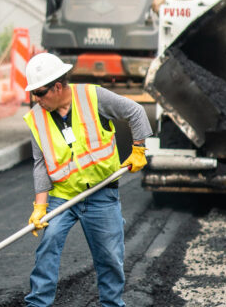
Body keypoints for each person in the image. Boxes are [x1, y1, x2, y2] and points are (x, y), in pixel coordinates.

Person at [23, 52, 152, 307]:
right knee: (47, 247)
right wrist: (40, 206)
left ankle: (111, 304)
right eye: (33, 94)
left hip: (101, 194)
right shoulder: (37, 118)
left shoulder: (93, 97)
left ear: (58, 86)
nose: (36, 100)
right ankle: (37, 304)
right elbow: (40, 164)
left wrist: (138, 148)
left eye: (39, 93)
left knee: (110, 258)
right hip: (63, 196)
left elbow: (136, 112)